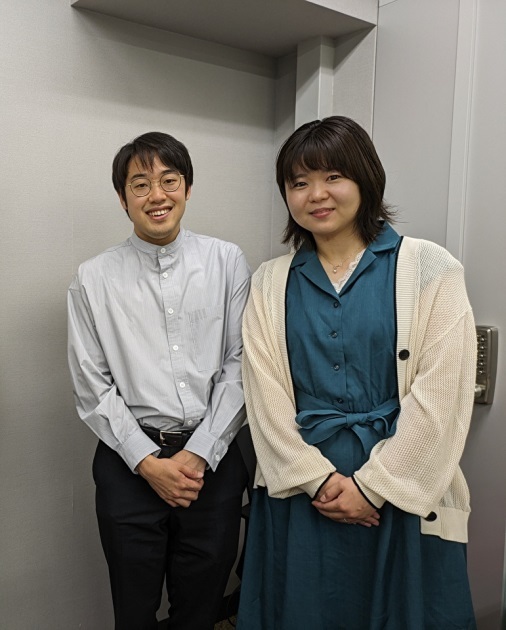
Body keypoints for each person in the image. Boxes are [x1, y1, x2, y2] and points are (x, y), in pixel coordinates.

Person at [236, 116, 477, 629]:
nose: (316, 194)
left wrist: (372, 488)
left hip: (404, 489)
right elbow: (264, 395)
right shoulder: (269, 282)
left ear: (366, 179)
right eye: (299, 182)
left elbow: (442, 396)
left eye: (333, 177)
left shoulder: (430, 268)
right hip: (304, 493)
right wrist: (319, 480)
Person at [67, 131, 251, 630]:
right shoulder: (92, 278)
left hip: (213, 464)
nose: (157, 195)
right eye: (140, 184)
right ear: (122, 197)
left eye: (169, 180)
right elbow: (91, 385)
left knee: (201, 606)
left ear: (187, 188)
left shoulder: (227, 261)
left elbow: (240, 364)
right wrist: (148, 464)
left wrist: (199, 453)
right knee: (133, 609)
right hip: (128, 465)